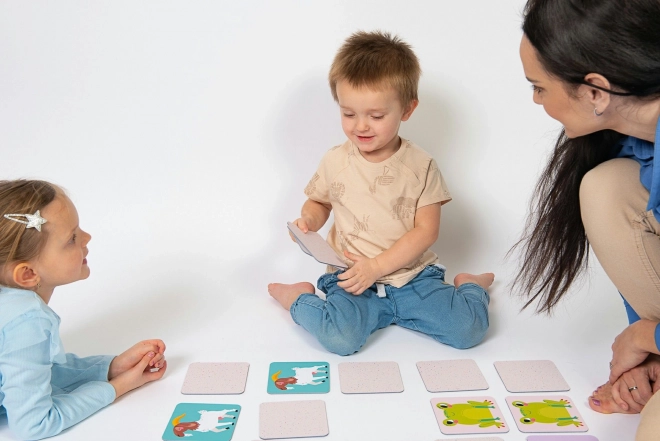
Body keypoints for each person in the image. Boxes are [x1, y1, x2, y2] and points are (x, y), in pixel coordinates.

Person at [268, 31, 494, 356]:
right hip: (352, 279)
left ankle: (471, 286)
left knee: (468, 330)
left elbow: (427, 230)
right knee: (340, 339)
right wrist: (308, 220)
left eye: (376, 116)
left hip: (412, 277)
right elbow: (319, 201)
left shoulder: (421, 165)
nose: (361, 126)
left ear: (407, 109)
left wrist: (377, 267)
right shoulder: (335, 160)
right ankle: (297, 297)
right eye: (348, 114)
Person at [515, 0, 660, 439]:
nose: (537, 100)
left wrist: (643, 338)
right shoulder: (634, 146)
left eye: (539, 87)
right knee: (606, 186)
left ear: (595, 91)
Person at [0, 180, 167, 440]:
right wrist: (116, 387)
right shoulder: (26, 321)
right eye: (72, 238)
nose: (87, 238)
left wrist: (110, 367)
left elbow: (25, 373)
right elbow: (34, 425)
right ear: (28, 273)